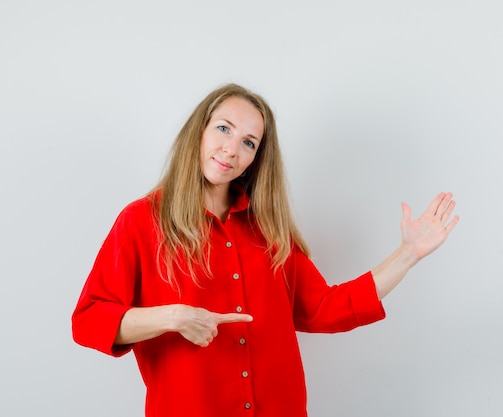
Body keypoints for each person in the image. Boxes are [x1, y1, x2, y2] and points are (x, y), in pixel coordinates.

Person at [71, 83, 459, 417]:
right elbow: (88, 320)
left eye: (248, 142)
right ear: (199, 132)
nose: (231, 149)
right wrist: (173, 316)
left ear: (255, 159)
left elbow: (325, 309)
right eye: (223, 128)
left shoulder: (269, 230)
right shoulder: (141, 221)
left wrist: (409, 253)